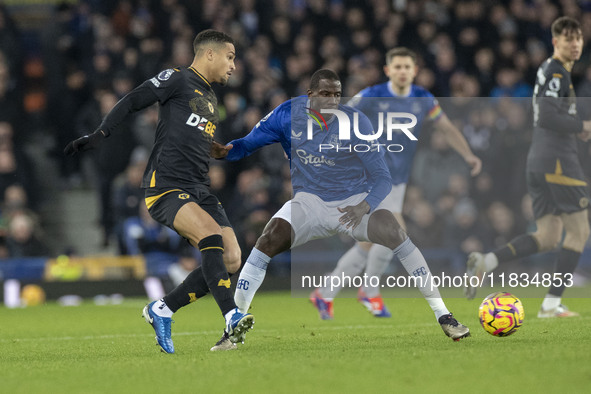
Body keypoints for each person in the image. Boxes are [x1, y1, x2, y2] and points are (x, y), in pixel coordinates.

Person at [211, 69, 471, 350]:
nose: (332, 100)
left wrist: (365, 205)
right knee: (268, 238)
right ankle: (232, 329)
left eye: (337, 94)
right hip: (309, 202)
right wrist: (225, 152)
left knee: (395, 231)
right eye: (325, 94)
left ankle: (444, 315)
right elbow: (247, 145)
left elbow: (382, 177)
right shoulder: (287, 114)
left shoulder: (356, 122)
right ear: (310, 95)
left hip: (353, 201)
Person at [64, 29, 254, 353]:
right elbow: (134, 98)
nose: (234, 65)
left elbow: (193, 139)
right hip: (166, 186)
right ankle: (231, 316)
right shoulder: (178, 78)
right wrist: (100, 133)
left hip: (200, 187)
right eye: (230, 56)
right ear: (209, 54)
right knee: (211, 235)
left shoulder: (210, 97)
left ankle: (162, 309)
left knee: (233, 258)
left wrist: (218, 150)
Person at [310, 47, 481, 319]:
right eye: (397, 67)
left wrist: (468, 154)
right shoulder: (372, 95)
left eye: (407, 67)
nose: (402, 71)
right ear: (388, 70)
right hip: (368, 175)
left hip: (396, 181)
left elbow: (446, 128)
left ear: (415, 71)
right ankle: (368, 291)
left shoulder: (424, 99)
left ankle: (327, 292)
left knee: (370, 241)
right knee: (395, 230)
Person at [465, 17, 591, 318]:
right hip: (558, 161)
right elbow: (546, 116)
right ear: (555, 42)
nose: (574, 43)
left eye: (578, 38)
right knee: (580, 231)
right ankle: (551, 304)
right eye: (567, 38)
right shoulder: (556, 72)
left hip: (541, 160)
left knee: (548, 236)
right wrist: (581, 124)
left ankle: (488, 261)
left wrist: (576, 127)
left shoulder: (553, 72)